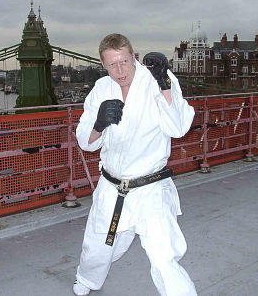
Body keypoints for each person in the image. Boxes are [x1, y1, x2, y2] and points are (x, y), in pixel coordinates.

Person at [73, 33, 197, 296]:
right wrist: (98, 125)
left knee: (165, 257)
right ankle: (87, 280)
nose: (120, 71)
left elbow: (178, 127)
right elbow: (85, 141)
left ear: (133, 56)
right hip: (111, 186)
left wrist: (164, 84)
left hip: (150, 188)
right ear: (102, 64)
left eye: (125, 62)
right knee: (98, 246)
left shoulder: (156, 79)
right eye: (112, 64)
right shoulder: (101, 89)